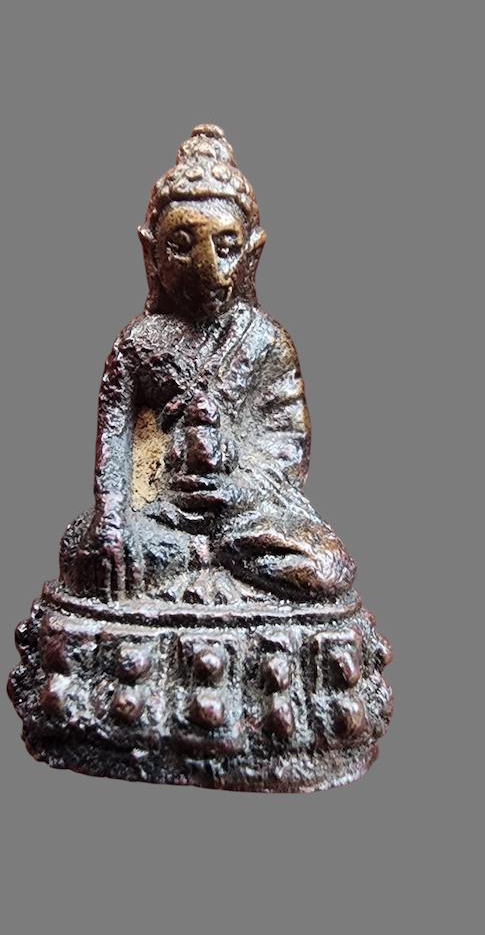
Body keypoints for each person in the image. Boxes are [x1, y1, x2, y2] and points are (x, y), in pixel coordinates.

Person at [60, 125, 356, 604]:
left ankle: (200, 559)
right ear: (150, 252)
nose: (206, 266)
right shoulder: (137, 344)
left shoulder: (265, 341)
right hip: (162, 516)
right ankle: (200, 557)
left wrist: (236, 491)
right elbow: (114, 446)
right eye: (181, 245)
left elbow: (286, 453)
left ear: (252, 254)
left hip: (245, 515)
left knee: (324, 567)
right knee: (84, 552)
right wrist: (113, 517)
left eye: (226, 247)